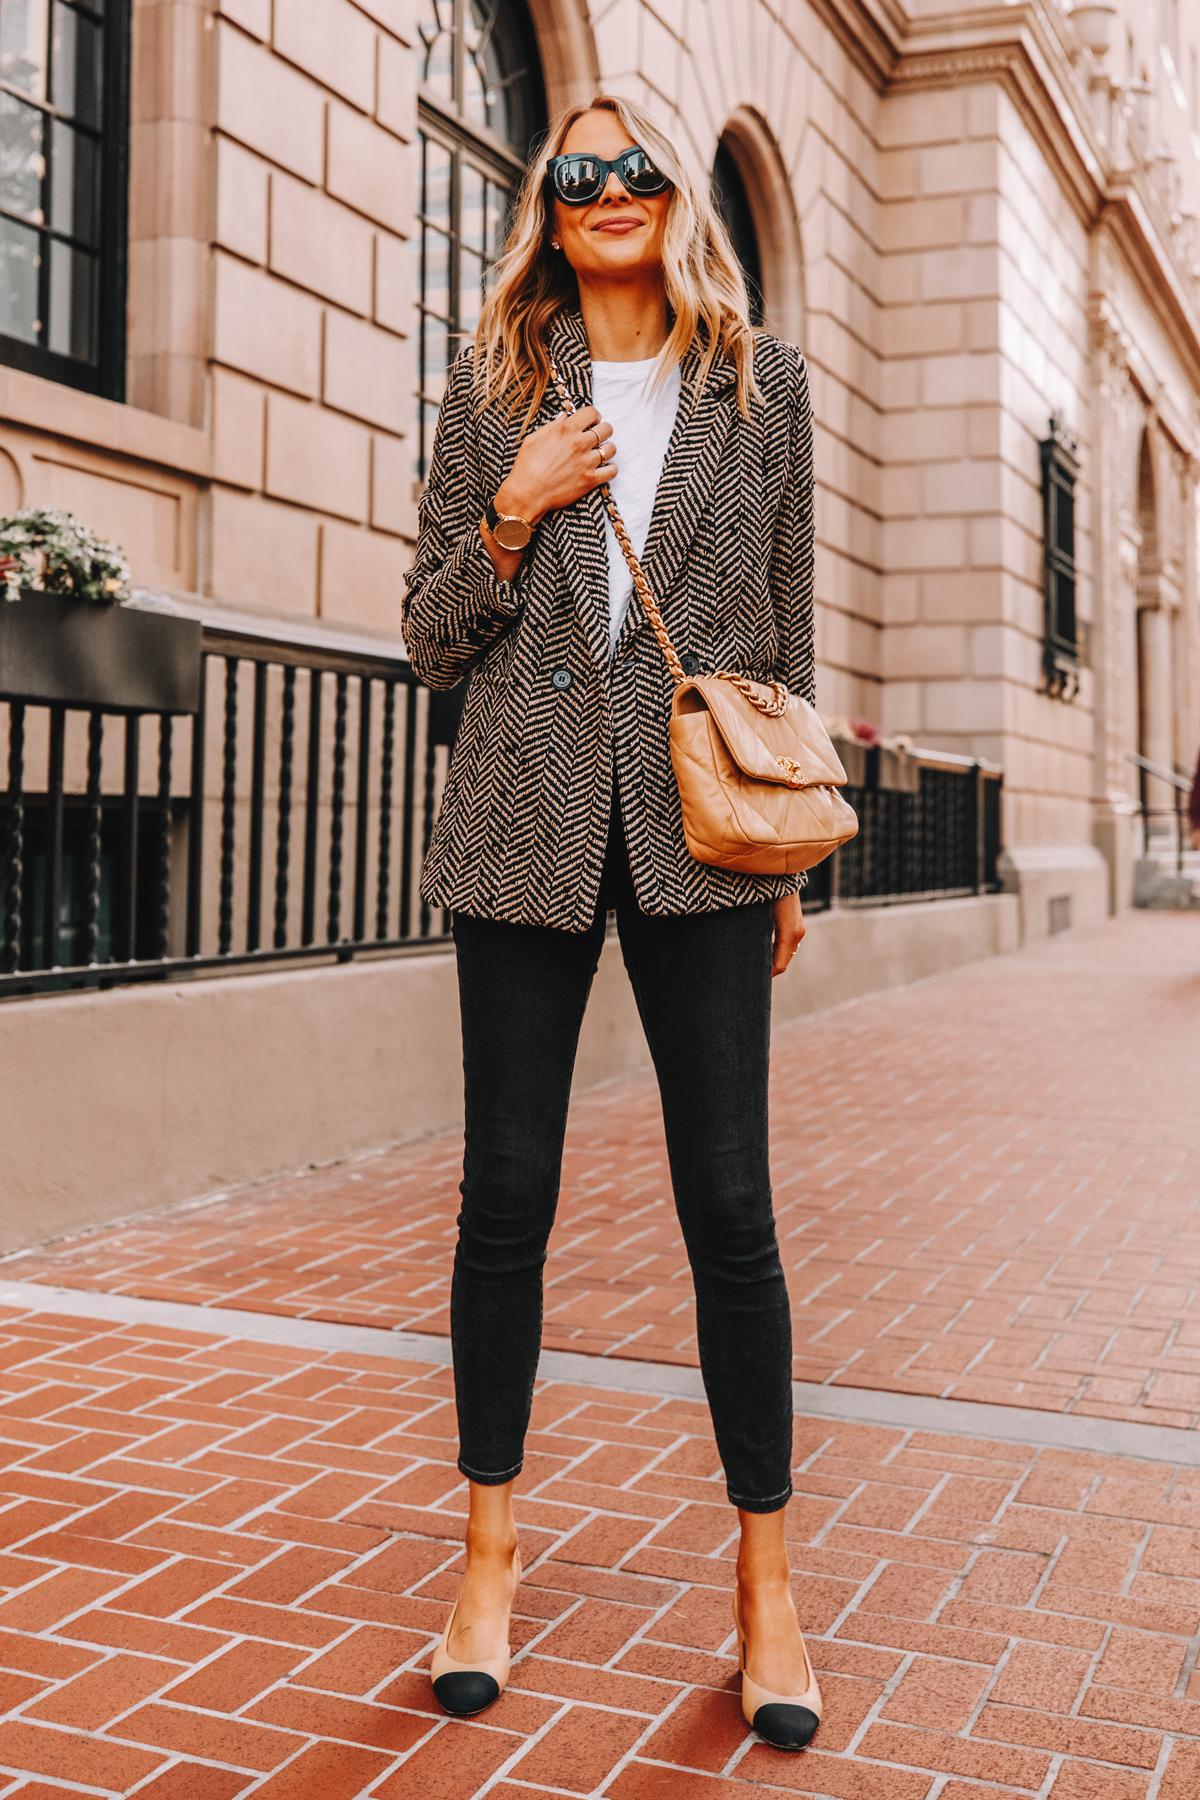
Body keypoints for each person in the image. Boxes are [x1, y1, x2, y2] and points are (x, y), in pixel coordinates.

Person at [402, 94, 820, 1753]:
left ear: (674, 201)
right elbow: (433, 633)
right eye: (576, 171)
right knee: (505, 1192)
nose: (611, 187)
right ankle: (487, 1557)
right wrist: (511, 506)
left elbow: (784, 636)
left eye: (637, 164)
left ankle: (766, 1584)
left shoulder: (763, 385)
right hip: (523, 827)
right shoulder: (494, 383)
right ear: (549, 211)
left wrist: (791, 862)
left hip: (703, 842)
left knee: (732, 1200)